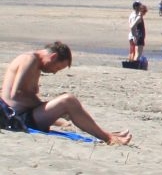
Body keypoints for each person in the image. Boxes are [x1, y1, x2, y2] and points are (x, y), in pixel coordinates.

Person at [1, 43, 131, 144]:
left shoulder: (36, 64)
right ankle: (107, 137)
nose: (54, 72)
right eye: (57, 68)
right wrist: (46, 106)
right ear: (53, 57)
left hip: (23, 115)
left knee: (67, 103)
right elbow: (16, 94)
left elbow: (26, 95)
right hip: (14, 116)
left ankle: (104, 134)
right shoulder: (29, 59)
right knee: (68, 101)